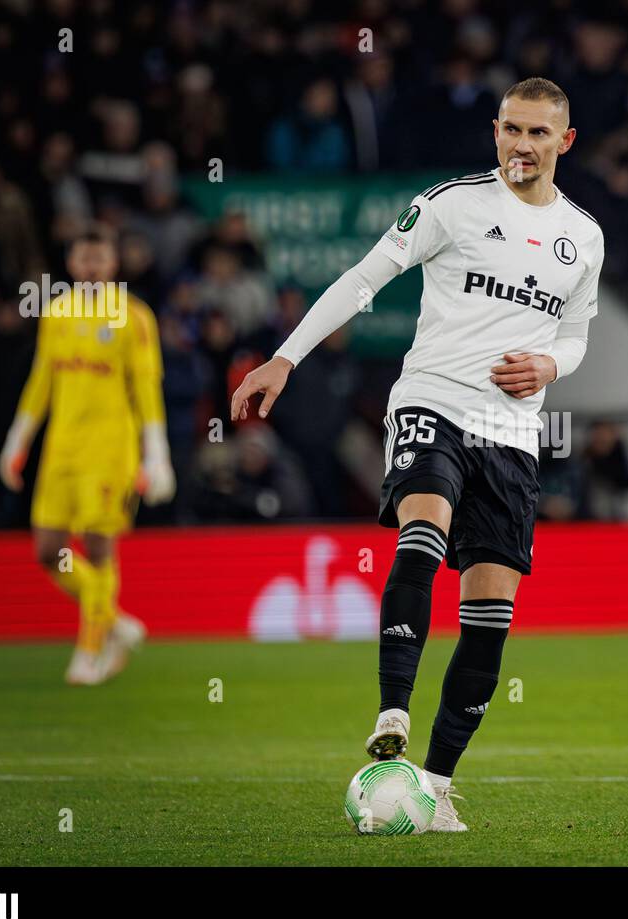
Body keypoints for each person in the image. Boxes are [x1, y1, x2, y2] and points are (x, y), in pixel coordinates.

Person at [231, 78, 604, 832]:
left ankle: (433, 783)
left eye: (538, 134)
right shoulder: (451, 204)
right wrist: (285, 357)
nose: (521, 146)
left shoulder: (584, 236)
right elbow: (365, 278)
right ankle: (392, 711)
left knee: (489, 616)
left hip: (512, 435)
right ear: (493, 131)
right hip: (432, 403)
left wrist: (552, 368)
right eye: (511, 130)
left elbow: (576, 332)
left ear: (564, 142)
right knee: (423, 528)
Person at [0, 225, 176, 684]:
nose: (92, 267)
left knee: (98, 549)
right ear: (73, 264)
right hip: (61, 449)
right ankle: (114, 622)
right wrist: (18, 440)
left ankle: (90, 648)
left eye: (100, 259)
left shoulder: (133, 316)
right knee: (47, 551)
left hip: (111, 448)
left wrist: (156, 457)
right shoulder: (56, 312)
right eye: (84, 259)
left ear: (112, 263)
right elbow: (43, 380)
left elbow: (147, 390)